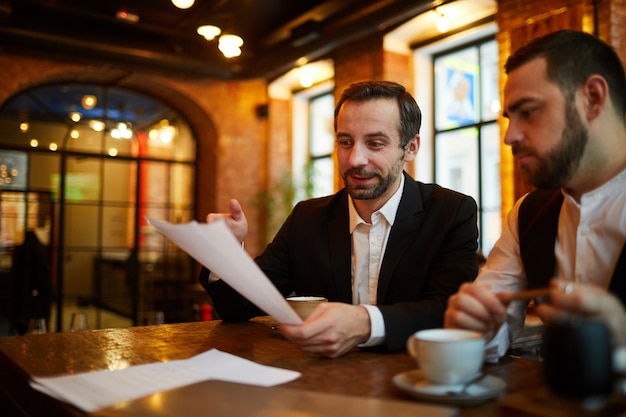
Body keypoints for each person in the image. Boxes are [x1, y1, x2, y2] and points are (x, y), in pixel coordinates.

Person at [200, 80, 479, 358]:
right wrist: (225, 252)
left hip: (416, 380)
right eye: (345, 142)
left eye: (375, 143)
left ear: (411, 148)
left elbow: (449, 312)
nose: (355, 158)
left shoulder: (450, 212)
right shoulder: (307, 219)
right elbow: (238, 307)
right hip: (323, 384)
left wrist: (365, 323)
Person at [444, 30, 626, 363]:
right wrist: (472, 328)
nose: (510, 136)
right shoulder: (528, 214)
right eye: (509, 118)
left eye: (528, 112)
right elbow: (487, 333)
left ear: (594, 98)